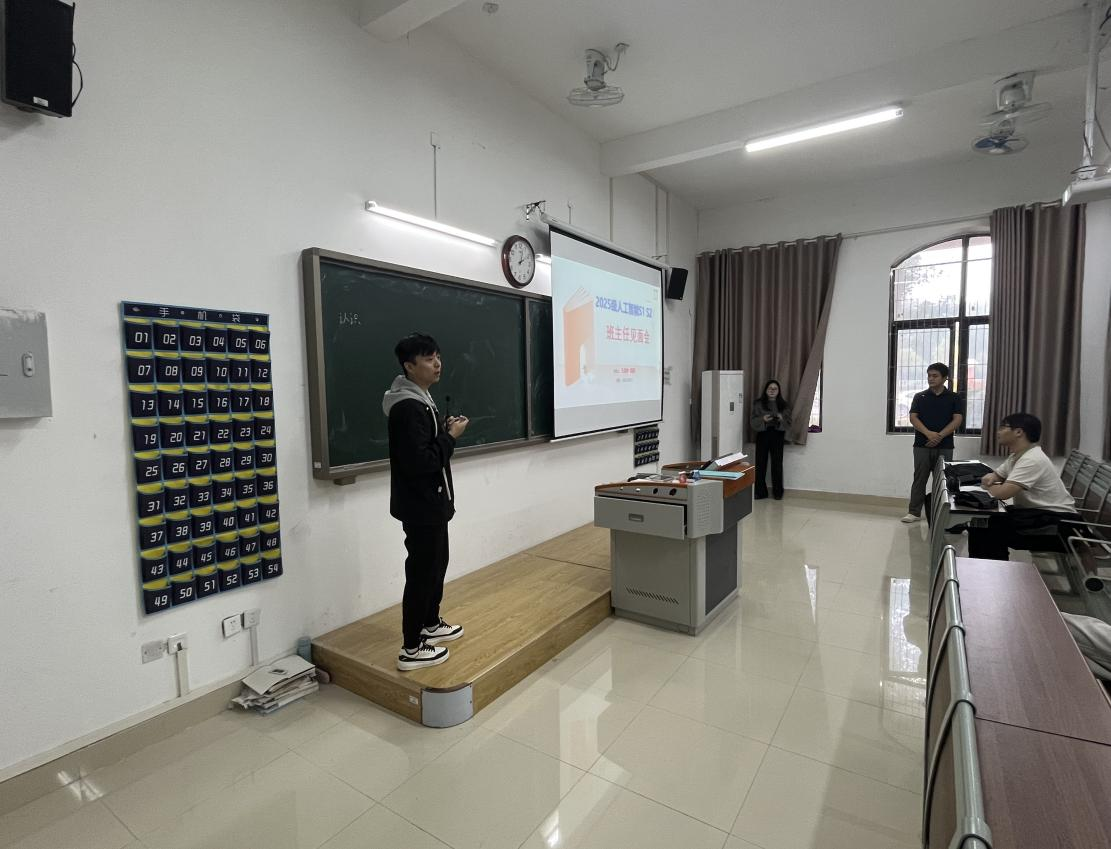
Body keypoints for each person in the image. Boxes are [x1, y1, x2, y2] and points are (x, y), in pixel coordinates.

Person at [382, 333, 469, 671]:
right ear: (409, 366)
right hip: (421, 505)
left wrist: (442, 433)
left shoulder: (421, 400)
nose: (437, 364)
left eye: (438, 357)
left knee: (436, 564)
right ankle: (411, 648)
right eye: (429, 359)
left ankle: (430, 623)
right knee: (421, 572)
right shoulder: (407, 407)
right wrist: (450, 438)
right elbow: (422, 462)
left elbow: (423, 449)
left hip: (432, 501)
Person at [968, 412, 1080, 560]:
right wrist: (994, 484)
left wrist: (989, 487)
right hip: (1038, 515)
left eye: (1003, 427)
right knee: (983, 521)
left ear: (1019, 432)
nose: (998, 431)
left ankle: (992, 572)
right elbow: (995, 476)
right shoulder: (1017, 455)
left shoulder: (1032, 459)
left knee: (989, 527)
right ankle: (987, 570)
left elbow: (1003, 493)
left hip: (1058, 524)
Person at [901, 363, 964, 523]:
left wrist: (939, 436)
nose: (931, 378)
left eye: (935, 376)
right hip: (921, 445)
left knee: (942, 481)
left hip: (945, 446)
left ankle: (940, 514)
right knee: (919, 478)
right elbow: (913, 417)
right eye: (929, 375)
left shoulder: (954, 397)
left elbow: (957, 420)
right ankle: (914, 512)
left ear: (944, 378)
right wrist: (928, 433)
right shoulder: (920, 396)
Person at [750, 379, 791, 500]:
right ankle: (760, 492)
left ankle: (778, 492)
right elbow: (753, 420)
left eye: (775, 389)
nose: (772, 391)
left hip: (778, 435)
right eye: (770, 388)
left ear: (779, 391)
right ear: (766, 390)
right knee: (760, 463)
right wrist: (763, 419)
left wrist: (781, 418)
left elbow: (789, 422)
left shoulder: (784, 405)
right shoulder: (758, 403)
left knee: (777, 464)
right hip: (763, 434)